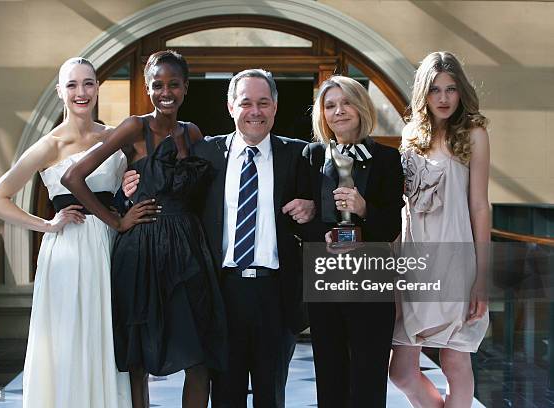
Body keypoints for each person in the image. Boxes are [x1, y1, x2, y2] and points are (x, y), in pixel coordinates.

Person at [123, 68, 316, 407]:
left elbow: (324, 209)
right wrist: (131, 190)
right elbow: (169, 188)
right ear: (230, 107)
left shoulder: (299, 155)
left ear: (275, 106)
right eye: (245, 103)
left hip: (276, 293)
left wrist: (312, 207)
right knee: (225, 395)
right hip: (219, 293)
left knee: (271, 395)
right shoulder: (206, 153)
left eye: (263, 103)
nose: (254, 111)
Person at [62, 50, 227, 408]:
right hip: (141, 250)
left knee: (198, 359)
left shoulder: (193, 132)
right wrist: (117, 219)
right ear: (148, 88)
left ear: (185, 88)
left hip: (187, 250)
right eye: (157, 85)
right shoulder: (133, 127)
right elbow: (73, 177)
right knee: (138, 361)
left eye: (174, 84)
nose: (165, 92)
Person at [0, 57, 137, 407]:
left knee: (107, 337)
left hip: (111, 247)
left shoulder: (115, 138)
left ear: (98, 88)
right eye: (72, 85)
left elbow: (128, 194)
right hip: (68, 251)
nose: (81, 92)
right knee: (68, 338)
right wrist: (47, 225)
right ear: (60, 92)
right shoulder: (49, 145)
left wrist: (130, 188)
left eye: (88, 83)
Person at [389, 51, 490, 407]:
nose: (444, 98)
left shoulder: (473, 134)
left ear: (461, 91)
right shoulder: (411, 134)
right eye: (434, 90)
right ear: (423, 94)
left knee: (454, 358)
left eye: (451, 89)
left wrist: (481, 276)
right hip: (413, 259)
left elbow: (480, 205)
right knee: (400, 371)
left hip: (455, 260)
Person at [302, 75, 404, 407]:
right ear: (322, 114)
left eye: (346, 103)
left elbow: (391, 225)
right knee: (330, 374)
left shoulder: (388, 159)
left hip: (372, 276)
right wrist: (323, 234)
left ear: (361, 107)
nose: (339, 111)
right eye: (330, 105)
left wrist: (363, 208)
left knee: (369, 374)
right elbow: (303, 219)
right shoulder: (313, 155)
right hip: (326, 273)